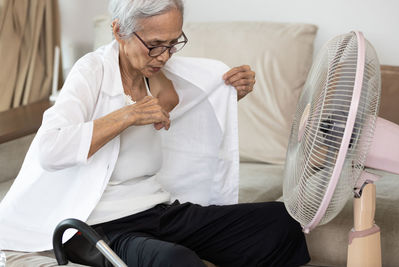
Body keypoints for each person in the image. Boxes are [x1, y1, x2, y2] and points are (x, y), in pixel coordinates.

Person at [0, 0, 310, 266]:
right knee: (175, 261)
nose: (164, 55)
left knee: (282, 222)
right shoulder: (91, 72)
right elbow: (51, 148)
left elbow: (190, 116)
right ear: (119, 31)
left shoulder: (160, 76)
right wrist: (128, 114)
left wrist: (231, 94)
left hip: (157, 211)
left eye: (173, 42)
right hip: (99, 225)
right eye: (155, 44)